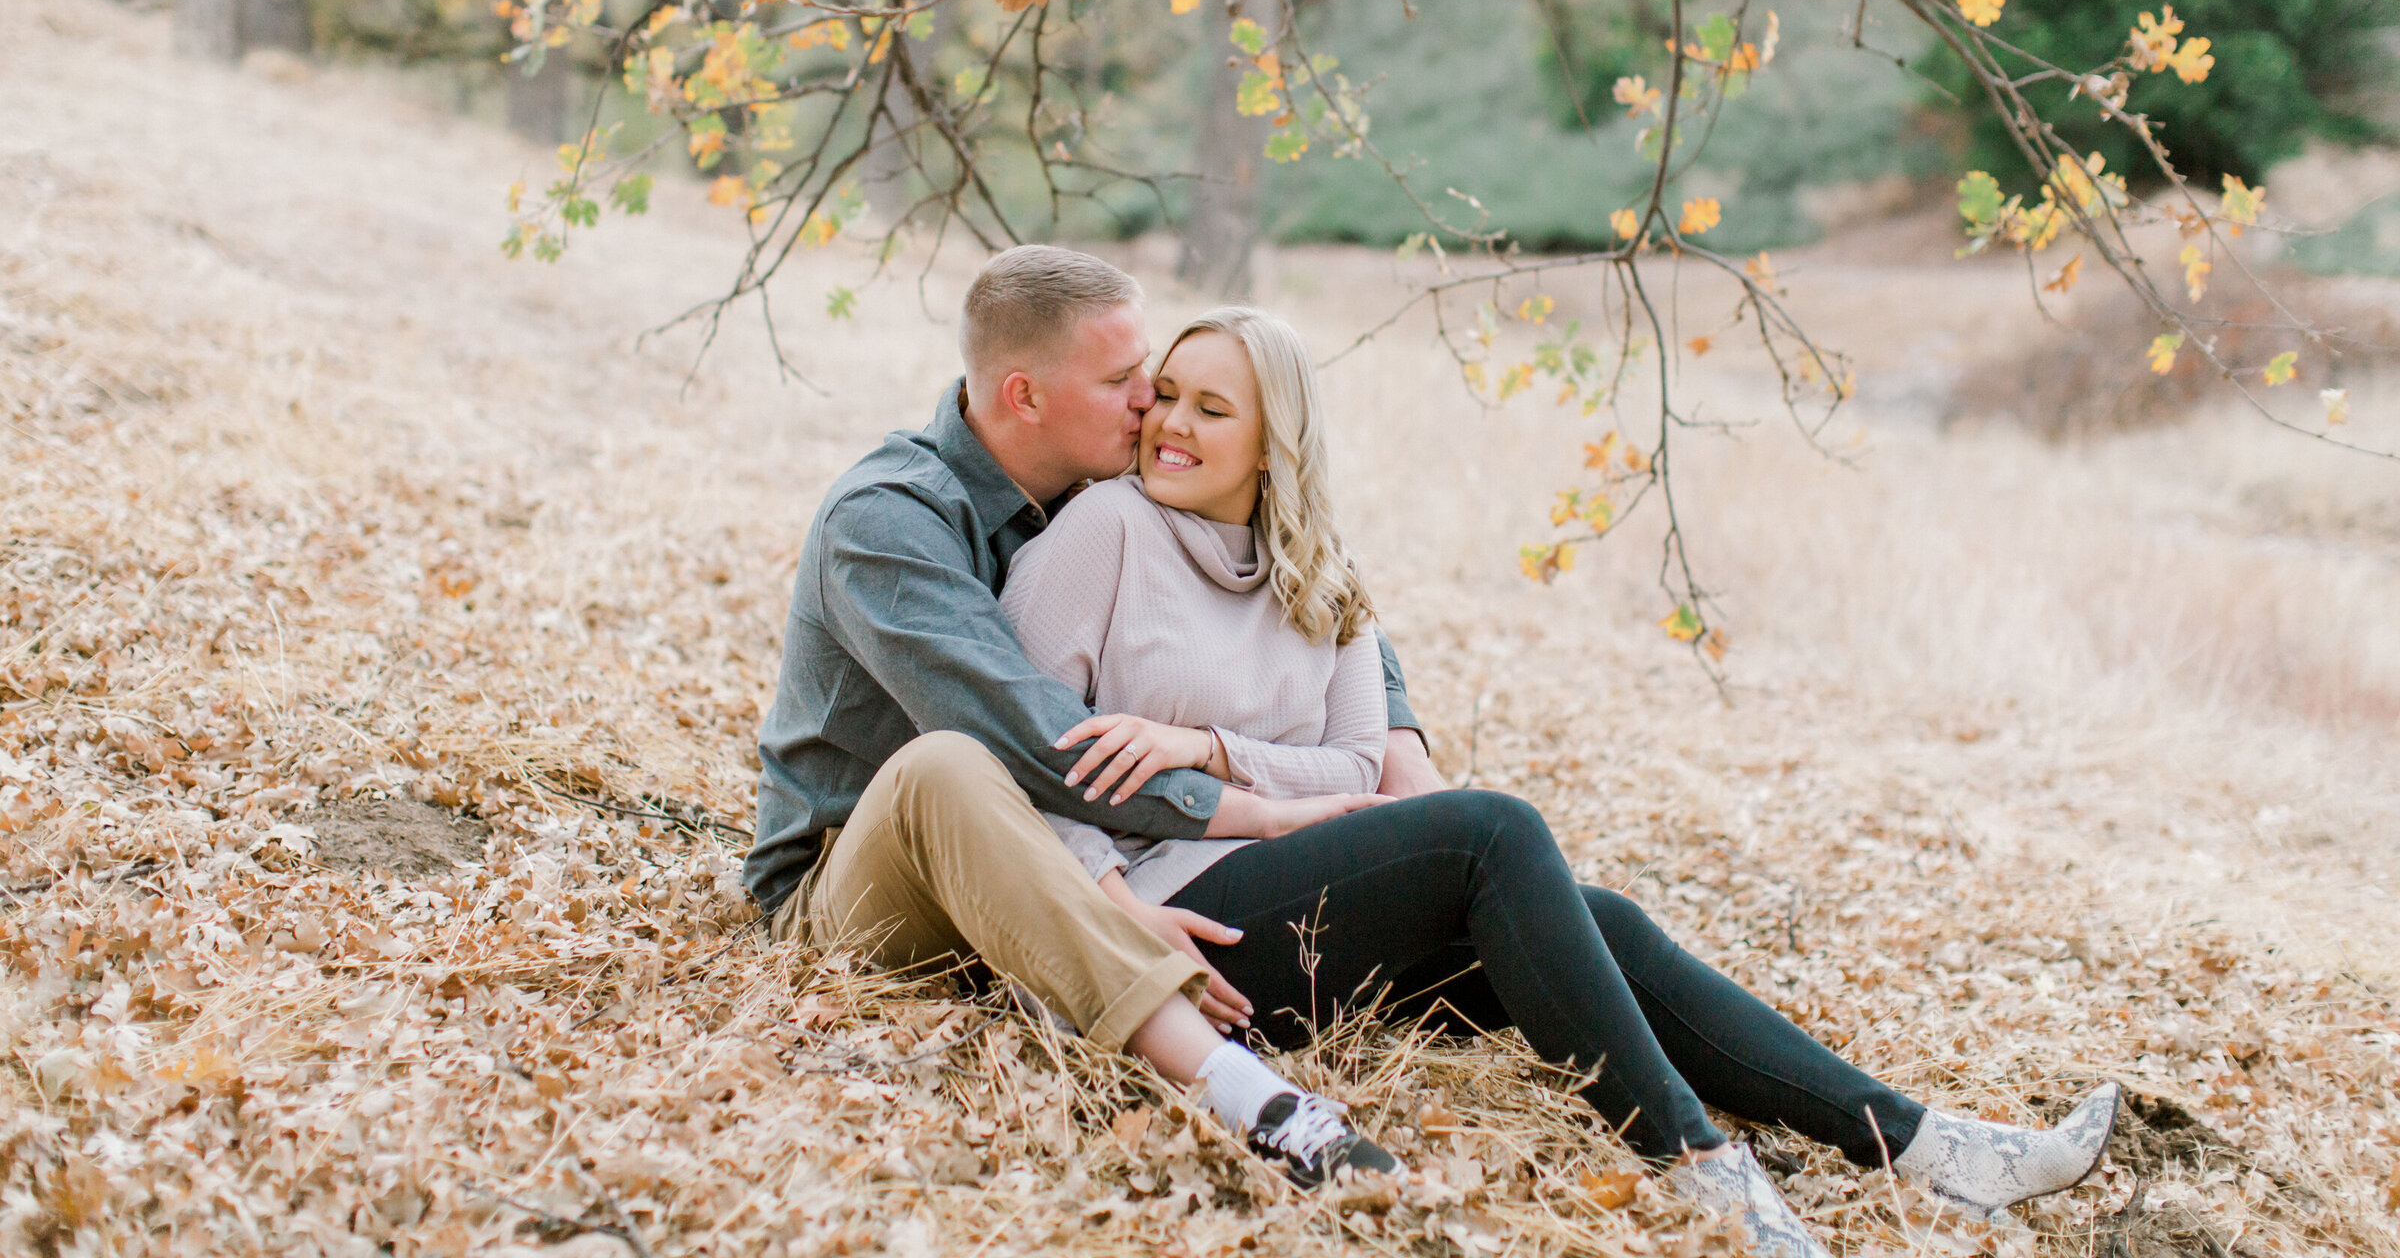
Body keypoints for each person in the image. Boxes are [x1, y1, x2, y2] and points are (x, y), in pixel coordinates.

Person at [1002, 304, 2121, 1258]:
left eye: (1214, 408)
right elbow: (1025, 761)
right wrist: (1120, 929)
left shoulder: (1323, 575)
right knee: (1490, 833)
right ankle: (1699, 1164)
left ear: (1271, 440)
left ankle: (1923, 1142)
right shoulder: (1106, 533)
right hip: (1184, 923)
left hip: (1307, 903)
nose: (1172, 426)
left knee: (1605, 924)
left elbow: (1355, 763)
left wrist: (1209, 748)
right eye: (1171, 395)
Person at [745, 245, 1432, 1184]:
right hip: (865, 890)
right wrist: (1241, 819)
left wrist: (1396, 741)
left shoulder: (1086, 480)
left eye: (1144, 368)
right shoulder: (887, 520)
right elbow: (1035, 739)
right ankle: (1247, 1094)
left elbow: (1297, 559)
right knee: (946, 765)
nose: (1152, 400)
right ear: (1026, 397)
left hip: (1031, 885)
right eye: (1123, 380)